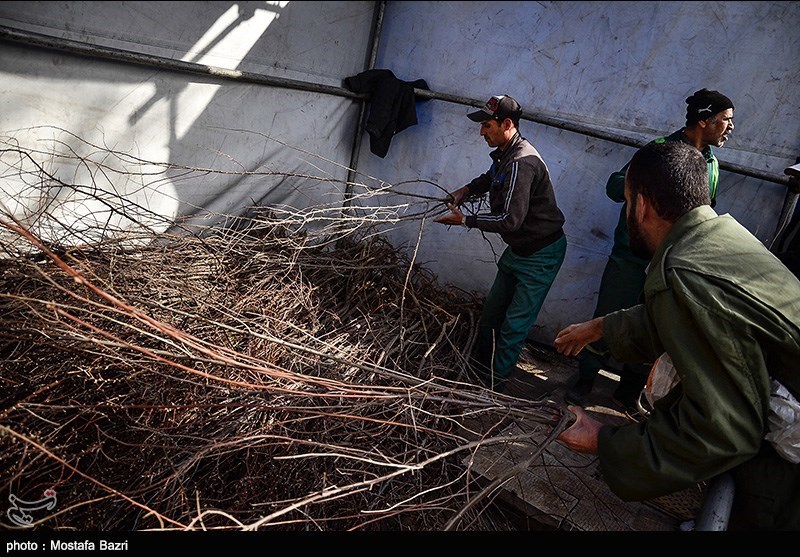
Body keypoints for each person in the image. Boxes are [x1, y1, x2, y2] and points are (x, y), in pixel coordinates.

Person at [553, 140, 800, 531]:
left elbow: (725, 429)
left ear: (642, 206)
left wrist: (607, 441)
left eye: (628, 200)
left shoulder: (683, 273)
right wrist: (603, 327)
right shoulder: (719, 237)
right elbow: (697, 322)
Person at [567, 88, 736, 410]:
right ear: (704, 121)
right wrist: (647, 183)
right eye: (726, 120)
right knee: (607, 318)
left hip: (670, 264)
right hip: (631, 259)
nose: (730, 128)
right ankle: (585, 379)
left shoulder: (712, 164)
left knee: (655, 327)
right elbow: (616, 187)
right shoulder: (659, 151)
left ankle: (629, 391)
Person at [434, 95, 567, 392]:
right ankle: (481, 371)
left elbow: (510, 221)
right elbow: (491, 177)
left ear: (508, 124)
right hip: (519, 249)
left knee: (513, 327)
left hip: (541, 253)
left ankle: (492, 389)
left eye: (487, 126)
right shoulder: (506, 153)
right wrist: (466, 190)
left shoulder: (522, 163)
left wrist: (465, 221)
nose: (482, 132)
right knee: (491, 315)